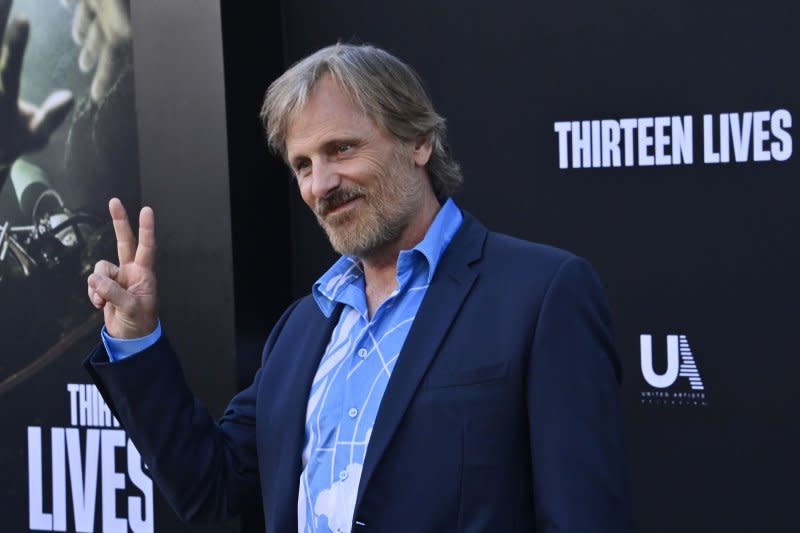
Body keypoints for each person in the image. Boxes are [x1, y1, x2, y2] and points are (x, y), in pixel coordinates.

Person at [84, 43, 634, 532]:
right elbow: (211, 486)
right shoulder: (300, 328)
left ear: (418, 142)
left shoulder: (540, 295)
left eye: (342, 149)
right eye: (303, 164)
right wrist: (137, 339)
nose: (321, 184)